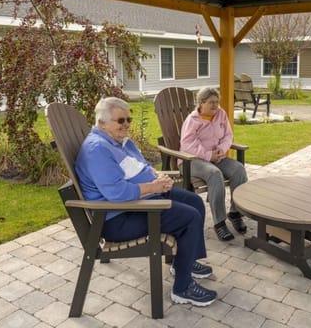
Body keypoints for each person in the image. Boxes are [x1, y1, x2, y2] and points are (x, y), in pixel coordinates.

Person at [75, 97, 216, 307]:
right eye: (120, 120)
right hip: (118, 217)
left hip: (138, 200)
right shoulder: (97, 149)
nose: (126, 124)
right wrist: (153, 187)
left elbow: (141, 167)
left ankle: (183, 264)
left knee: (194, 201)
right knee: (189, 218)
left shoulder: (119, 142)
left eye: (128, 119)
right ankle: (182, 288)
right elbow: (116, 192)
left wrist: (159, 177)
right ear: (102, 123)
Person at [180, 87, 248, 241]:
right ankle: (219, 222)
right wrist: (208, 155)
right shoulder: (192, 120)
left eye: (217, 102)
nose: (215, 106)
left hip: (217, 156)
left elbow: (228, 135)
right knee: (214, 173)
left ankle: (235, 213)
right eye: (211, 102)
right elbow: (187, 145)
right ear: (201, 103)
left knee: (239, 170)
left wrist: (221, 150)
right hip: (192, 160)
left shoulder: (221, 114)